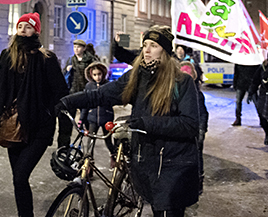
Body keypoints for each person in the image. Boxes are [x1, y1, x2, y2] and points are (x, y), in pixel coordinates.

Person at [58, 26, 201, 217]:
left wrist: (144, 123)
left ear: (165, 51)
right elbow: (100, 95)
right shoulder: (137, 76)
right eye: (145, 45)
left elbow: (189, 125)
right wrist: (66, 102)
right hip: (147, 162)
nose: (146, 50)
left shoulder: (181, 82)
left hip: (173, 165)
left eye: (154, 45)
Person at [0, 12, 68, 217]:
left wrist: (48, 114)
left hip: (38, 128)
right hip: (12, 126)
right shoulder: (7, 55)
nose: (23, 29)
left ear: (36, 30)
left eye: (28, 26)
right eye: (20, 26)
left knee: (20, 176)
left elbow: (60, 93)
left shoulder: (46, 58)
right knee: (19, 178)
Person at [59, 39, 95, 147]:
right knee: (69, 120)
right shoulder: (71, 60)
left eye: (78, 47)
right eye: (74, 47)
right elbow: (64, 75)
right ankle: (65, 145)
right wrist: (67, 70)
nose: (76, 49)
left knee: (85, 121)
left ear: (83, 48)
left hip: (85, 93)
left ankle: (86, 145)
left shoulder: (90, 60)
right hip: (73, 93)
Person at [79, 62, 116, 167]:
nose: (97, 77)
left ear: (103, 73)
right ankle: (88, 164)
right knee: (90, 142)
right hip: (93, 119)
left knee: (108, 140)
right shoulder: (89, 86)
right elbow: (85, 104)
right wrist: (82, 119)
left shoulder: (108, 85)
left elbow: (113, 100)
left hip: (106, 118)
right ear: (91, 75)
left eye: (99, 74)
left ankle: (114, 156)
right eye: (94, 75)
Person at [180, 60, 208, 193]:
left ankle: (198, 181)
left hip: (195, 132)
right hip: (181, 131)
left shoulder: (197, 95)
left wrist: (201, 132)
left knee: (197, 156)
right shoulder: (175, 92)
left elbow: (203, 114)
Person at [248, 49, 268, 146]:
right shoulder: (263, 66)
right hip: (263, 96)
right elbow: (255, 80)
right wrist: (251, 92)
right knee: (262, 116)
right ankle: (267, 134)